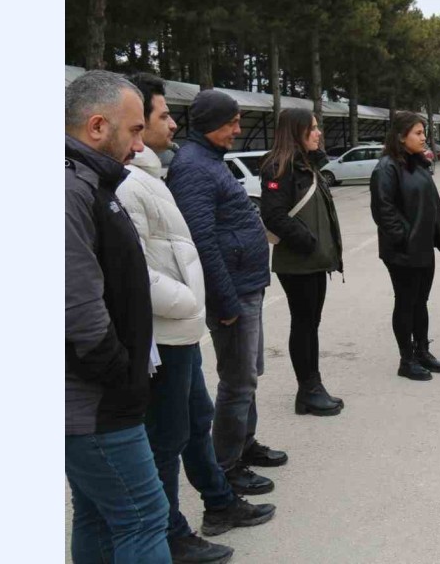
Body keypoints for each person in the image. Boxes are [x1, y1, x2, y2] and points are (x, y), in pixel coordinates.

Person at [117, 74, 275, 563]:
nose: (173, 125)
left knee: (196, 416)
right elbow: (155, 261)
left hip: (182, 324)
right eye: (163, 116)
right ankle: (174, 529)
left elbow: (179, 245)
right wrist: (207, 301)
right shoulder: (147, 178)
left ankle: (219, 499)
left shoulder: (159, 171)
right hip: (168, 326)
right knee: (170, 435)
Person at [65, 70, 170, 563]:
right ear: (97, 126)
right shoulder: (70, 190)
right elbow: (78, 310)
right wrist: (122, 377)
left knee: (99, 515)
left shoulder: (90, 182)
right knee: (144, 517)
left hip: (95, 400)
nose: (139, 145)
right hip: (95, 403)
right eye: (134, 131)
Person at [167, 90, 286, 497]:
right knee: (237, 381)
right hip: (232, 292)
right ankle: (227, 466)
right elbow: (201, 240)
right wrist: (224, 301)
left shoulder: (209, 160)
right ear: (211, 123)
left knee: (249, 374)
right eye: (232, 122)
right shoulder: (193, 167)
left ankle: (244, 443)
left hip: (245, 285)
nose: (238, 129)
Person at [260, 108, 345, 415]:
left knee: (311, 324)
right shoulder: (278, 167)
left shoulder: (307, 164)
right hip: (298, 261)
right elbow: (273, 215)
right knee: (304, 323)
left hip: (314, 260)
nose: (319, 133)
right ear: (297, 131)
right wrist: (307, 241)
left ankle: (313, 387)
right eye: (313, 128)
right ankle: (308, 390)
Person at [371, 112, 440, 381]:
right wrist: (403, 238)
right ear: (400, 137)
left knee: (421, 302)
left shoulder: (418, 164)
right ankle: (406, 360)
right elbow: (383, 210)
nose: (423, 137)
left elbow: (431, 203)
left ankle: (422, 351)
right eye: (418, 133)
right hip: (403, 251)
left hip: (423, 247)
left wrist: (438, 236)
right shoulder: (387, 167)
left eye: (423, 132)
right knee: (406, 302)